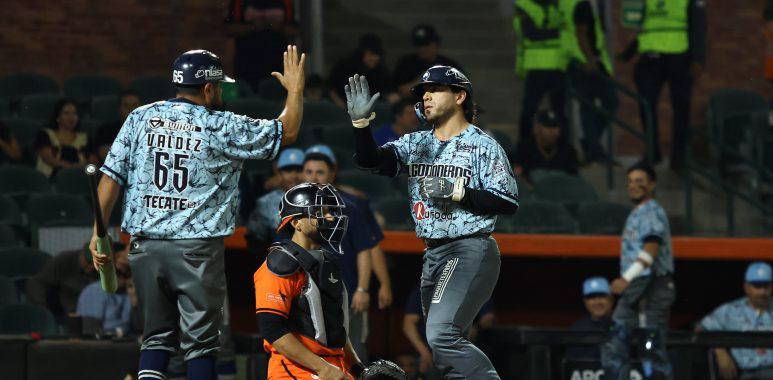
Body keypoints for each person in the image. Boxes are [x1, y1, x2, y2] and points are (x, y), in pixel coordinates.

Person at [89, 46, 305, 380]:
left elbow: (110, 179)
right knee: (201, 345)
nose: (221, 92)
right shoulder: (220, 124)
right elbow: (285, 132)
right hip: (196, 250)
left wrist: (97, 233)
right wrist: (295, 90)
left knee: (156, 338)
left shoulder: (140, 117)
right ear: (208, 88)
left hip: (145, 246)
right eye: (220, 86)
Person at [348, 66, 519, 379]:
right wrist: (361, 125)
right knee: (443, 349)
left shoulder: (483, 144)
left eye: (435, 89)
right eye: (422, 91)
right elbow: (371, 161)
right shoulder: (416, 143)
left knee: (441, 336)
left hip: (469, 246)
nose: (425, 96)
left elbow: (507, 201)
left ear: (459, 96)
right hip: (433, 253)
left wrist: (458, 192)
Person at [253, 182, 364, 379]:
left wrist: (358, 369)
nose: (330, 217)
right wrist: (323, 368)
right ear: (296, 223)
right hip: (296, 368)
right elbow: (272, 329)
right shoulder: (279, 265)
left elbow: (335, 327)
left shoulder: (325, 260)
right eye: (319, 212)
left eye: (329, 211)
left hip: (334, 367)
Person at [302, 145, 379, 361]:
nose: (314, 177)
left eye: (320, 172)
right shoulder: (295, 209)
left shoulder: (350, 208)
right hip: (308, 292)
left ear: (332, 174)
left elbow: (365, 250)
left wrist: (363, 288)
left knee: (353, 349)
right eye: (309, 172)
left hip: (347, 290)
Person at [601, 162, 676, 380]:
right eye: (630, 182)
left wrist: (626, 278)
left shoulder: (652, 212)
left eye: (639, 181)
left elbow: (650, 250)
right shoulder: (638, 213)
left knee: (650, 347)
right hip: (638, 287)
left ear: (652, 184)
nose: (633, 186)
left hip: (653, 286)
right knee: (616, 341)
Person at [619, 0, 707, 168]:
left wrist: (698, 59)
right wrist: (627, 54)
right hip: (651, 58)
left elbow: (699, 27)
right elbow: (645, 29)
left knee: (681, 108)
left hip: (679, 57)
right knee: (646, 106)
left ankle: (679, 157)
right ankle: (652, 153)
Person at [561, 0, 618, 163]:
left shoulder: (569, 4)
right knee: (607, 103)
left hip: (579, 62)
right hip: (586, 64)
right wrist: (590, 60)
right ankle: (593, 148)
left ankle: (591, 145)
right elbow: (581, 33)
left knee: (589, 108)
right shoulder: (582, 4)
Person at [402, 283, 495, 380]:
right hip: (432, 356)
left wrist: (476, 327)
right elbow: (408, 325)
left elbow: (488, 318)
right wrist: (424, 353)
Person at [698, 262, 773, 380]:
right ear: (746, 287)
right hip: (744, 373)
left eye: (766, 286)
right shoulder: (731, 310)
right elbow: (701, 329)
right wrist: (719, 349)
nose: (762, 291)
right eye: (757, 286)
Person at [26, 242, 128, 321]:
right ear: (81, 254)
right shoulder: (65, 260)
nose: (91, 267)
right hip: (67, 316)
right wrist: (44, 310)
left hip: (99, 315)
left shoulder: (107, 267)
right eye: (88, 262)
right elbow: (37, 284)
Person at [513, 0, 566, 145]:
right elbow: (532, 33)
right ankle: (525, 146)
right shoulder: (524, 5)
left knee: (560, 111)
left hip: (559, 66)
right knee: (530, 110)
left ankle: (562, 147)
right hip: (537, 66)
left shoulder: (560, 4)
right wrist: (561, 31)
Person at [226, 0, 290, 92]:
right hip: (247, 65)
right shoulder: (239, 2)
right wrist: (253, 26)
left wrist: (276, 26)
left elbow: (295, 29)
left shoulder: (285, 2)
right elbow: (229, 28)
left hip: (278, 64)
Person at [247, 147, 305, 243]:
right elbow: (254, 240)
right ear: (279, 172)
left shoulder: (316, 198)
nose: (294, 175)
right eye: (288, 170)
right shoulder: (265, 202)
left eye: (299, 170)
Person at [328, 34, 398, 109]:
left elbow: (389, 91)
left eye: (377, 55)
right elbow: (330, 88)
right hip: (345, 109)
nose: (376, 58)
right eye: (371, 54)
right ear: (362, 54)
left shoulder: (381, 71)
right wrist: (340, 104)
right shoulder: (345, 66)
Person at [512, 109, 578, 186]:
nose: (552, 131)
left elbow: (574, 180)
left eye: (555, 126)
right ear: (536, 128)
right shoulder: (524, 149)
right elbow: (518, 176)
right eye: (547, 126)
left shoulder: (568, 151)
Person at [393, 25, 463, 98]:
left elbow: (461, 91)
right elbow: (402, 92)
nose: (422, 49)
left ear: (436, 44)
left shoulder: (448, 64)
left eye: (426, 44)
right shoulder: (406, 63)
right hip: (414, 104)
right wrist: (424, 78)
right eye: (419, 45)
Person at [34, 99, 88, 178]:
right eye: (66, 113)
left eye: (74, 114)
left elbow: (92, 162)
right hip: (49, 178)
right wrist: (71, 167)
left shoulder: (85, 138)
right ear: (57, 117)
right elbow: (47, 158)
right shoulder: (45, 134)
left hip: (80, 178)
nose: (71, 117)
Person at [566, 276, 615, 361]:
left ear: (611, 299)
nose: (597, 302)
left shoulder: (623, 324)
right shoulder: (577, 329)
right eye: (592, 297)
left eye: (602, 296)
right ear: (585, 302)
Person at [89, 90, 142, 165]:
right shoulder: (106, 130)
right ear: (119, 109)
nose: (131, 109)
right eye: (126, 105)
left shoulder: (152, 130)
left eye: (135, 105)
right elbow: (108, 158)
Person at [76, 269, 133, 335]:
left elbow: (127, 323)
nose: (125, 280)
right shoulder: (95, 291)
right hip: (96, 341)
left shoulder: (125, 292)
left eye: (127, 276)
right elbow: (92, 329)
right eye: (121, 275)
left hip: (118, 339)